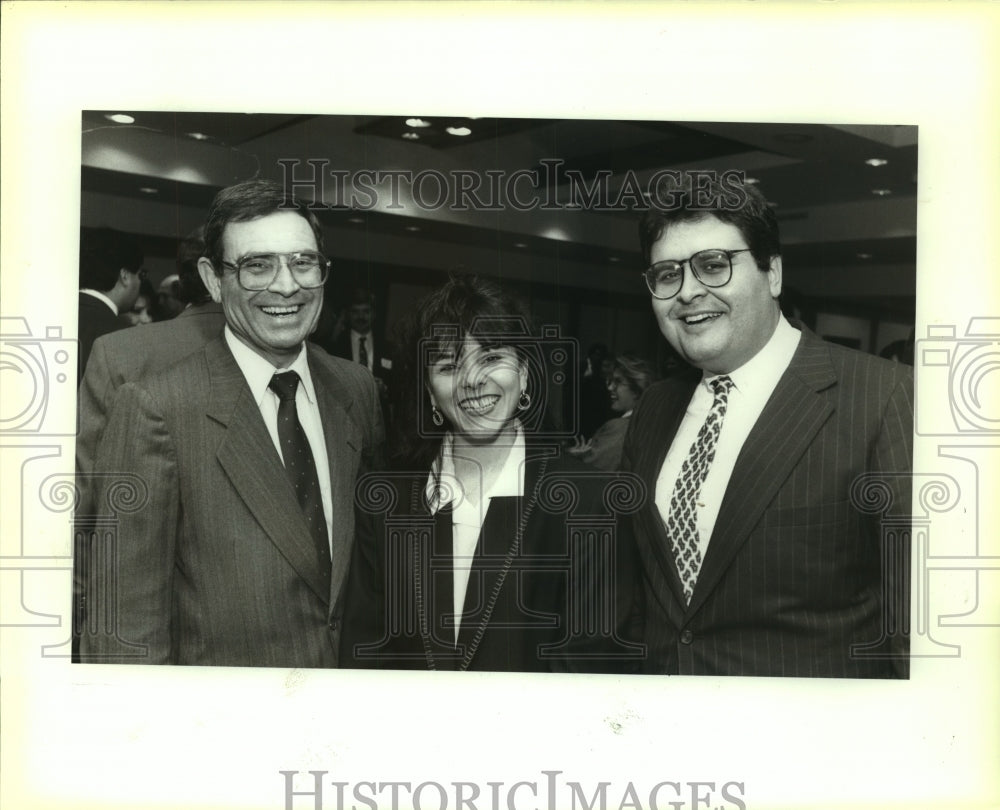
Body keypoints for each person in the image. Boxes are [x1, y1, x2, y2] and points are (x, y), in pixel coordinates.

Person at [78, 180, 383, 667]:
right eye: (257, 265)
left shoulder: (356, 390)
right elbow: (123, 630)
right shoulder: (156, 407)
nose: (286, 285)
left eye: (303, 262)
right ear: (214, 279)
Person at [623, 176, 913, 678]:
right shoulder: (654, 408)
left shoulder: (886, 398)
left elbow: (920, 627)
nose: (689, 292)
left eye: (713, 265)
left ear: (772, 272)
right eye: (667, 275)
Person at [341, 275, 642, 673]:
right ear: (431, 392)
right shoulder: (386, 503)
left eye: (491, 357)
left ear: (525, 374)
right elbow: (365, 654)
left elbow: (592, 666)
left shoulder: (590, 503)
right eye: (448, 365)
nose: (471, 381)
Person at [77, 226, 145, 381]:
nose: (140, 282)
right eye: (141, 274)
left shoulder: (52, 314)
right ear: (125, 276)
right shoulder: (123, 335)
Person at [568, 353, 657, 471]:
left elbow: (588, 471)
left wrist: (570, 455)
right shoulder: (645, 422)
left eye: (618, 382)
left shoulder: (620, 427)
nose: (610, 388)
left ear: (636, 390)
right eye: (611, 381)